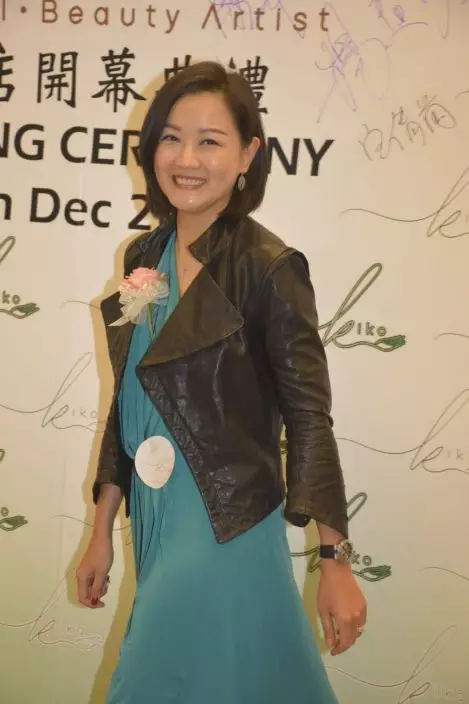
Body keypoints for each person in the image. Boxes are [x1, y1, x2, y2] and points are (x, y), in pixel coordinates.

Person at [76, 60, 367, 703]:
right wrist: (100, 530)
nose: (186, 159)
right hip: (156, 515)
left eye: (209, 141)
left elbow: (309, 417)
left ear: (247, 156)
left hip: (227, 519)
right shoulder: (143, 257)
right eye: (171, 138)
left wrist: (334, 561)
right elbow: (130, 402)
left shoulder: (269, 266)